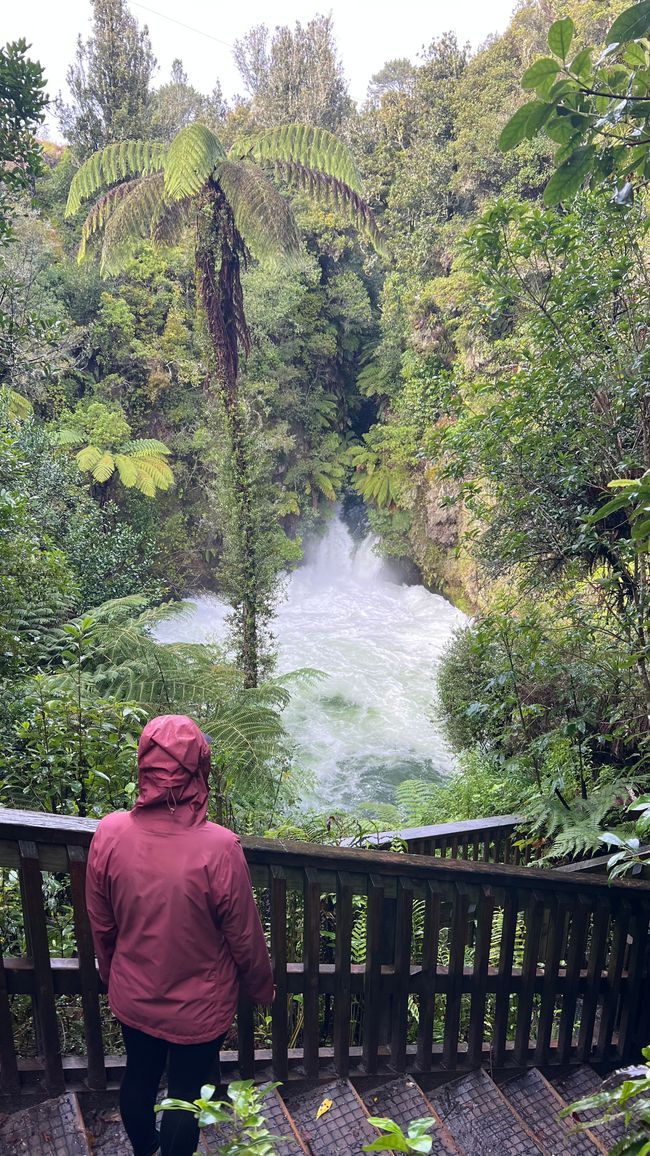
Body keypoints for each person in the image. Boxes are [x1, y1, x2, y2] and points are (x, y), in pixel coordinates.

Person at [85, 714, 274, 1156]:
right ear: (200, 770)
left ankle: (144, 1149)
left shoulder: (110, 832)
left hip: (134, 994)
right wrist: (261, 989)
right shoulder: (220, 848)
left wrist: (112, 973)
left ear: (143, 766)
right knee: (186, 1094)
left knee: (139, 1077)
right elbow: (243, 935)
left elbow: (102, 921)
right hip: (199, 1005)